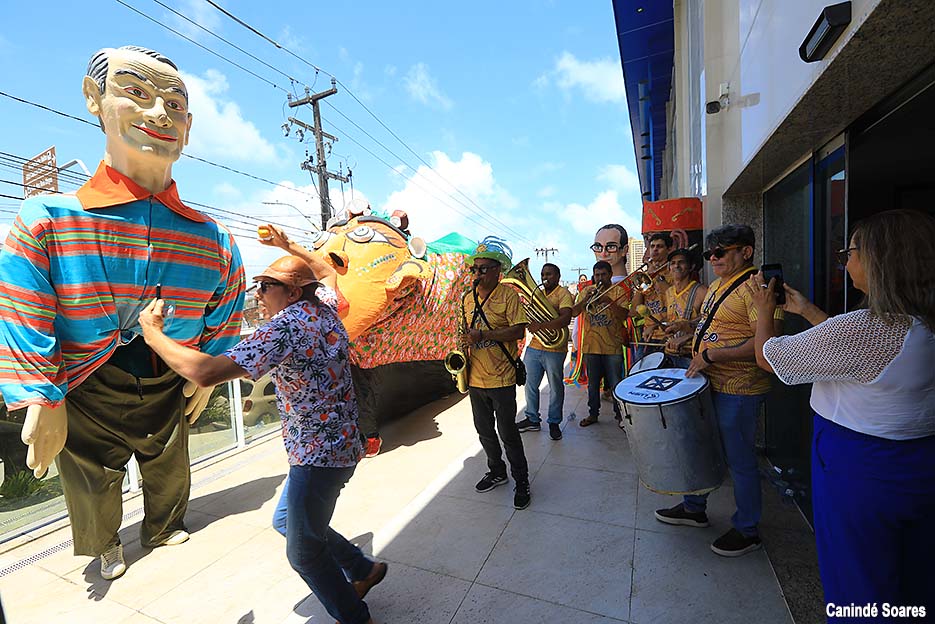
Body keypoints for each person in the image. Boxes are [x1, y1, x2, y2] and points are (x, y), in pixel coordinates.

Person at [0, 46, 245, 580]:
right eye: (136, 92)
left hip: (166, 376)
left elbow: (227, 308)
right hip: (85, 382)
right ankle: (104, 542)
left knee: (170, 462)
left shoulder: (214, 238)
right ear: (94, 98)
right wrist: (42, 392)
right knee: (90, 474)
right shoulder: (48, 220)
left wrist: (207, 369)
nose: (160, 113)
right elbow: (22, 307)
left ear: (189, 126)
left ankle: (163, 524)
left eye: (175, 104)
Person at [139, 254, 385, 624]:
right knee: (286, 520)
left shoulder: (284, 328)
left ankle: (355, 616)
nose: (258, 294)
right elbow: (325, 273)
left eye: (266, 286)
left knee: (303, 554)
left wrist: (153, 334)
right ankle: (361, 568)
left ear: (292, 292)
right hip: (343, 443)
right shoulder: (326, 308)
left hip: (318, 457)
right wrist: (286, 245)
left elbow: (205, 372)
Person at [747, 209, 935, 613]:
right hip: (918, 462)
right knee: (914, 575)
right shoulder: (917, 325)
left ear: (880, 260)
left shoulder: (866, 328)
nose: (845, 262)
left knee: (859, 582)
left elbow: (767, 357)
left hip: (861, 470)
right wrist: (808, 311)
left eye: (849, 253)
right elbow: (860, 354)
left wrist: (764, 308)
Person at [654, 224, 783, 557]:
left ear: (746, 251)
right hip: (709, 383)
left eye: (720, 252)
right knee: (701, 448)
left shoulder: (758, 288)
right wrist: (688, 329)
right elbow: (714, 324)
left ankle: (747, 529)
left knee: (739, 460)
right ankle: (694, 508)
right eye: (709, 253)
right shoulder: (717, 285)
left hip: (739, 389)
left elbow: (766, 342)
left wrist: (712, 355)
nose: (713, 258)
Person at [462, 237, 531, 510]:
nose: (477, 274)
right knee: (484, 431)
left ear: (497, 270)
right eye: (474, 269)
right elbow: (465, 331)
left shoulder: (509, 296)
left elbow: (519, 331)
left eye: (483, 269)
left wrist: (483, 335)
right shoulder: (467, 299)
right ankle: (497, 471)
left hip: (501, 378)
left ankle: (522, 481)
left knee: (508, 432)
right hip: (475, 378)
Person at [515, 263, 573, 440]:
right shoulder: (537, 294)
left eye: (549, 274)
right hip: (535, 346)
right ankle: (532, 419)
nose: (544, 278)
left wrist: (541, 325)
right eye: (542, 274)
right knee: (530, 384)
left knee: (555, 387)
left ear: (558, 276)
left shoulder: (563, 293)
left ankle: (554, 422)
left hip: (555, 348)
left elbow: (566, 318)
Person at [570, 261, 629, 426]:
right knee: (593, 385)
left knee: (616, 383)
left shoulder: (618, 291)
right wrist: (585, 299)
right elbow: (574, 312)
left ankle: (620, 416)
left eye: (603, 275)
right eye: (597, 275)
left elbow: (624, 315)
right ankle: (593, 414)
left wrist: (608, 300)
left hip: (613, 347)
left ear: (610, 275)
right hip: (591, 346)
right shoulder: (587, 291)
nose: (600, 278)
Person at [631, 232, 674, 362]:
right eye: (652, 246)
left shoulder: (673, 273)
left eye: (659, 246)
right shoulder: (646, 275)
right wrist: (641, 284)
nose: (655, 250)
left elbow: (674, 301)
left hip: (669, 335)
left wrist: (657, 276)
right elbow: (634, 311)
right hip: (648, 337)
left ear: (669, 249)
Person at [661, 248, 707, 359]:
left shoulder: (702, 291)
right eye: (673, 263)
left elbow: (710, 322)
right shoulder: (669, 292)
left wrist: (688, 336)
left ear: (691, 266)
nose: (676, 266)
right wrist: (654, 327)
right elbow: (671, 317)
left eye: (681, 262)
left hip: (691, 354)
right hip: (670, 352)